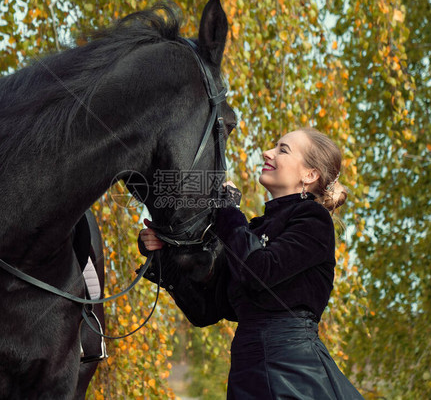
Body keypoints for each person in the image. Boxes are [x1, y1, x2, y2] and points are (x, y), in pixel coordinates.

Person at [138, 127, 364, 399]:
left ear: (310, 175)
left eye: (282, 149)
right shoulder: (254, 229)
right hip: (247, 373)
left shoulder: (313, 220)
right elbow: (206, 310)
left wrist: (229, 212)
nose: (267, 152)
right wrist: (165, 255)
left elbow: (258, 271)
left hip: (294, 373)